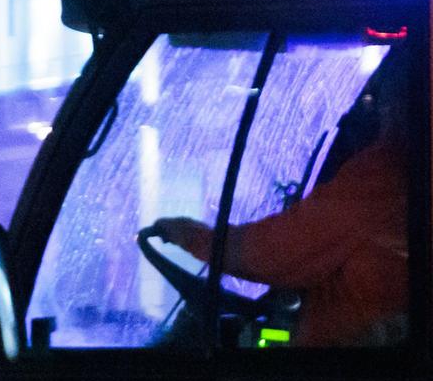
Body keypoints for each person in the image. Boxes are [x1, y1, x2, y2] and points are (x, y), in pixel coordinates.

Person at [150, 50, 409, 348]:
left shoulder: (387, 173)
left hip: (345, 373)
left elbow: (275, 252)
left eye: (382, 104)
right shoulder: (405, 172)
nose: (378, 115)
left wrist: (192, 236)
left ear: (400, 103)